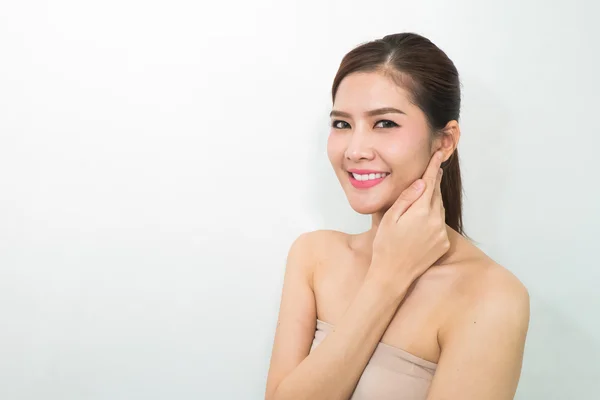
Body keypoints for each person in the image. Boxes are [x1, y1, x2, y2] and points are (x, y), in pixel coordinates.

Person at [264, 32, 530, 400]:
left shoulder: (491, 296)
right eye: (342, 124)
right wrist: (387, 280)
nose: (355, 150)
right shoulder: (314, 257)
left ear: (446, 140)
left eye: (385, 123)